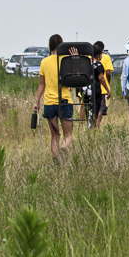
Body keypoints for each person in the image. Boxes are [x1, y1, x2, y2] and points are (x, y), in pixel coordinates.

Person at [33, 34, 74, 164]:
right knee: (68, 135)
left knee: (54, 136)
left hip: (49, 103)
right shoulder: (66, 60)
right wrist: (74, 59)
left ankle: (57, 163)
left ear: (50, 46)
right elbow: (74, 78)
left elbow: (41, 84)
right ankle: (63, 148)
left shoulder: (44, 62)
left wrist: (37, 101)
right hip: (64, 101)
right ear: (62, 45)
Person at [79, 45, 109, 128]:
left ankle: (88, 124)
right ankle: (92, 126)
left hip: (85, 88)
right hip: (94, 88)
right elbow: (101, 78)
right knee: (95, 108)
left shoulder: (85, 63)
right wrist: (107, 89)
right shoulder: (98, 64)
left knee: (87, 107)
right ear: (98, 54)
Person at [94, 41, 113, 124]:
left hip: (91, 88)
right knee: (101, 108)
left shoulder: (89, 59)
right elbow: (108, 73)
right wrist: (107, 84)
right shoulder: (106, 58)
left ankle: (90, 124)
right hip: (103, 88)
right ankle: (97, 124)